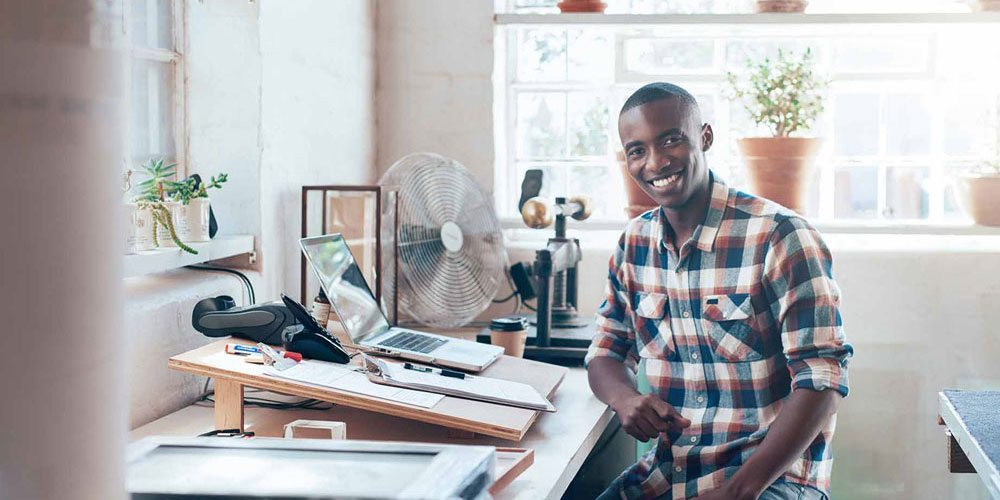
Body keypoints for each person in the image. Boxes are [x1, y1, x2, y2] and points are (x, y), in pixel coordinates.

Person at [587, 82, 853, 500]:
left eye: (671, 140)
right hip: (665, 477)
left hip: (768, 483)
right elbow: (604, 352)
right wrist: (624, 398)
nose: (655, 162)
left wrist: (735, 492)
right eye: (637, 151)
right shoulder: (633, 244)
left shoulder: (781, 236)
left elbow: (822, 381)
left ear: (705, 137)